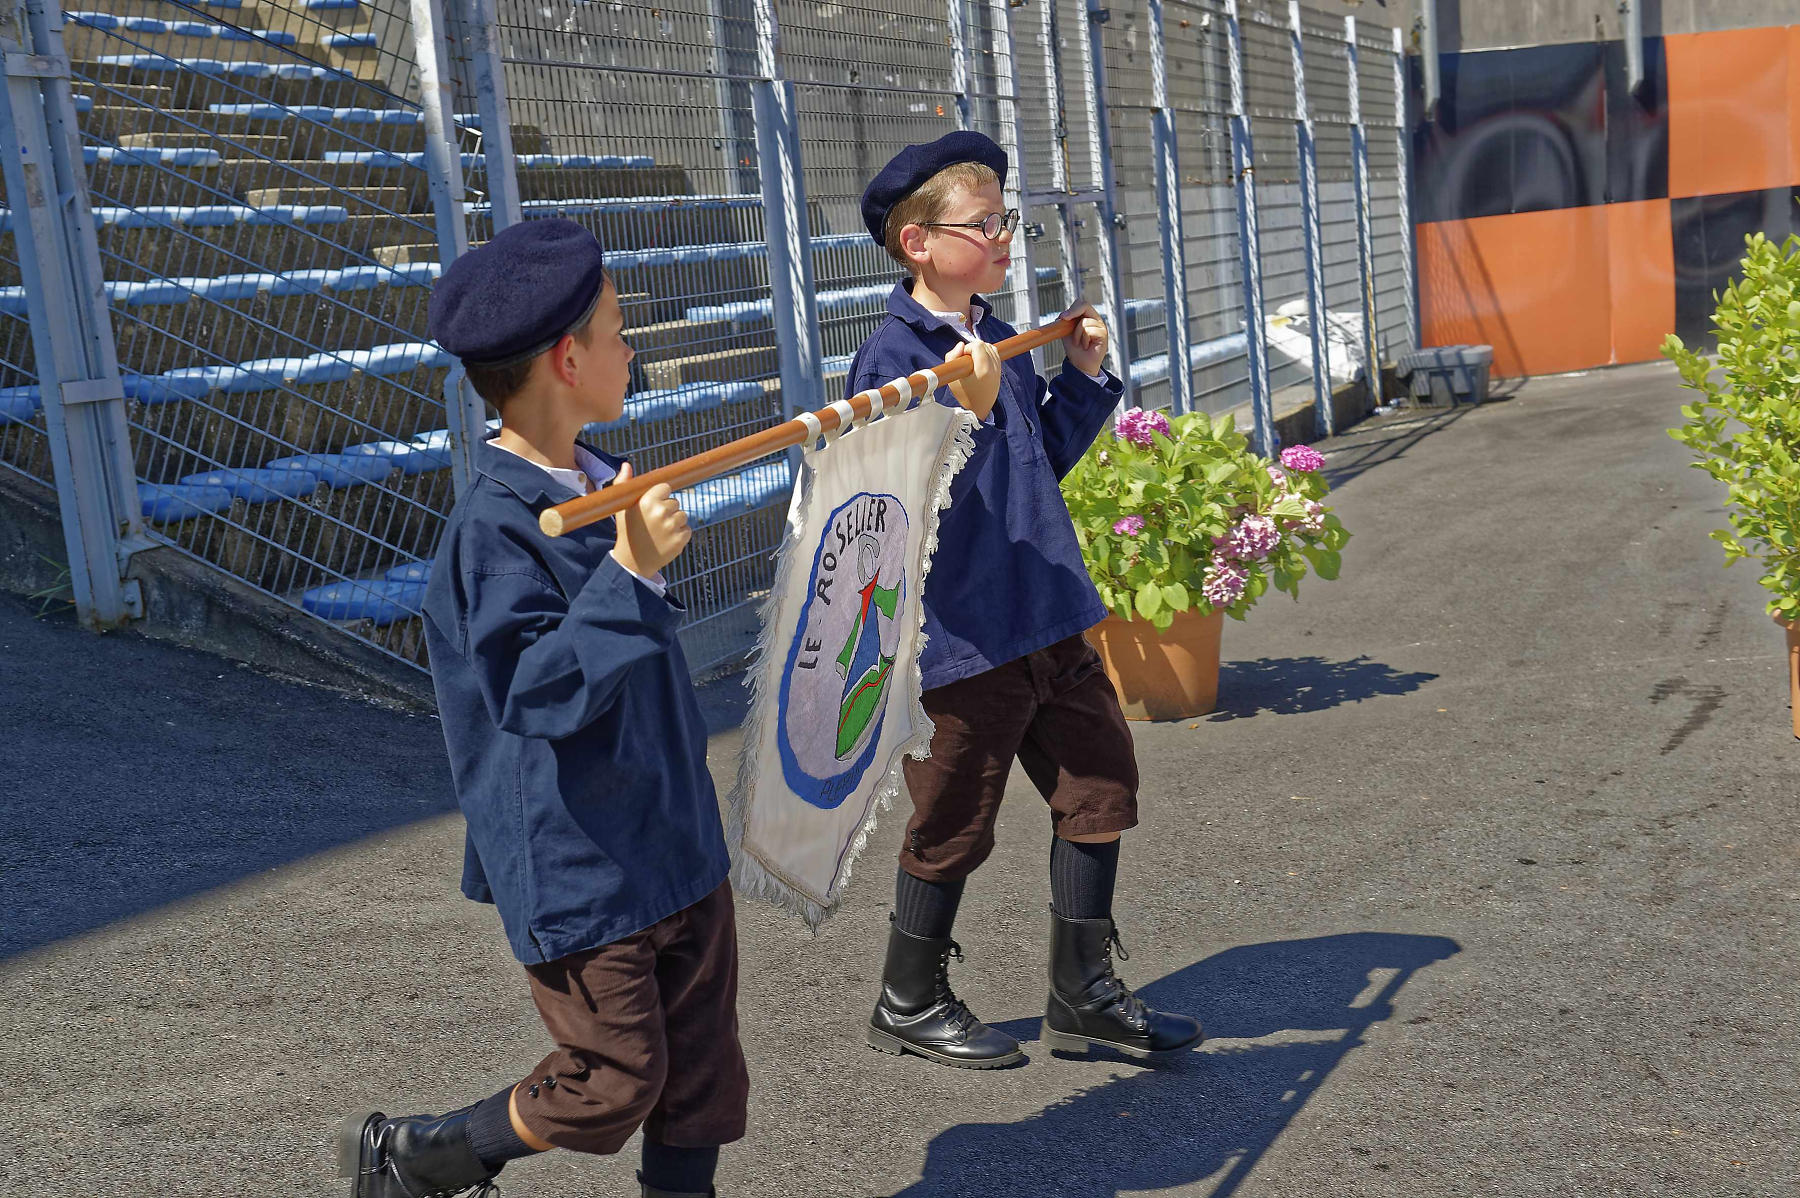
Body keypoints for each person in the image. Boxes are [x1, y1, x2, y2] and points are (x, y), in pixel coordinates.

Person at [336, 218, 748, 1198]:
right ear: (568, 359)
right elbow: (537, 690)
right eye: (619, 330)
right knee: (612, 1078)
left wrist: (628, 556)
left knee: (701, 1078)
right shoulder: (494, 530)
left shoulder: (600, 482)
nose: (631, 347)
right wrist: (630, 572)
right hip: (581, 864)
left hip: (672, 833)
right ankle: (422, 1155)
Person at [848, 131, 1203, 1068]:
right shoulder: (893, 357)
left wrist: (1078, 381)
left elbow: (1036, 460)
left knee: (1101, 786)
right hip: (965, 637)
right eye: (984, 224)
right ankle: (907, 996)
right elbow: (895, 502)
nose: (1004, 236)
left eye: (1006, 219)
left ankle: (1082, 994)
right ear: (919, 243)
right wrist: (958, 412)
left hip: (1046, 612)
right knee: (952, 819)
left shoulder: (996, 336)